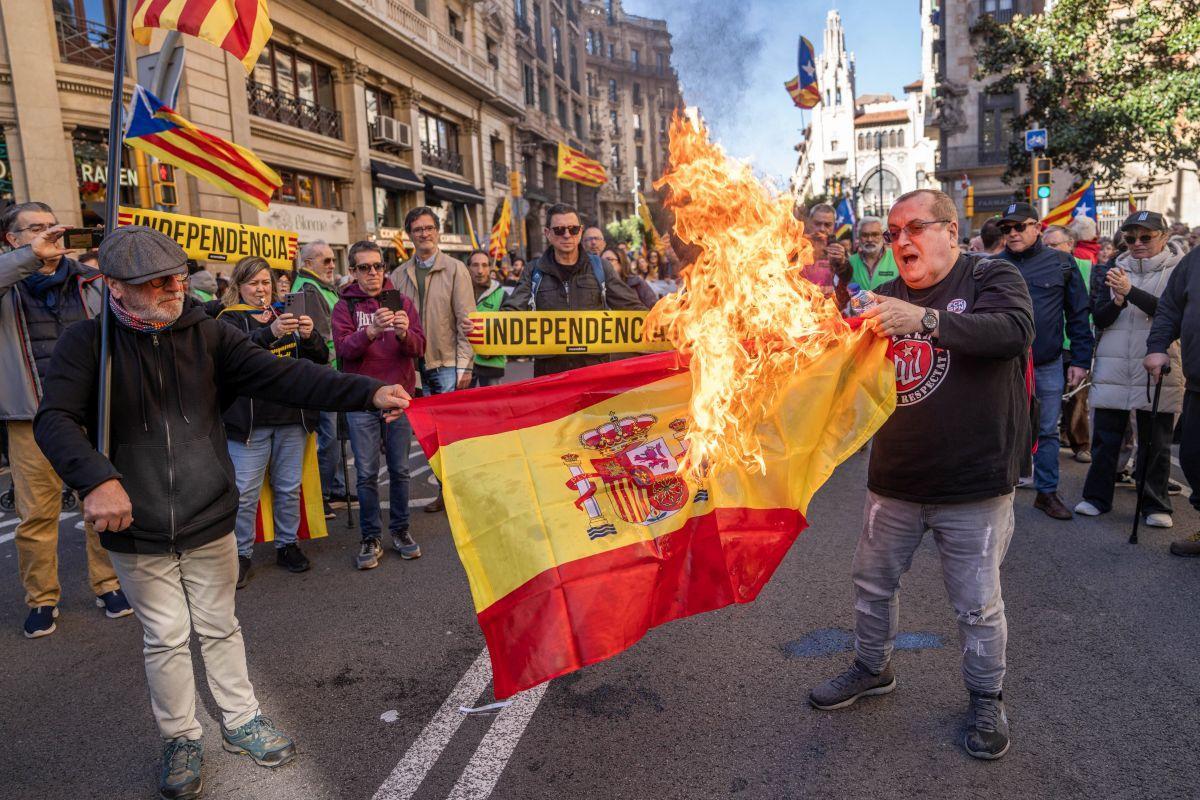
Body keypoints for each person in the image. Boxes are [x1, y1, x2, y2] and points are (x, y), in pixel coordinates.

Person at [33, 226, 411, 799]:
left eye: (177, 276)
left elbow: (286, 376)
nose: (172, 288)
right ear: (114, 286)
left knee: (219, 626)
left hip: (209, 510)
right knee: (165, 637)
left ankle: (240, 720)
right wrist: (97, 479)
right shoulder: (86, 344)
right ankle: (181, 736)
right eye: (155, 281)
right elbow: (54, 420)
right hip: (136, 523)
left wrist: (366, 393)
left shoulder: (208, 334)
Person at [809, 189, 1034, 761]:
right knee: (872, 583)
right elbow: (839, 362)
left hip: (975, 483)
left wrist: (927, 320)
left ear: (951, 233)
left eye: (915, 228)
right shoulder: (882, 294)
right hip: (896, 480)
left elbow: (1013, 332)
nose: (901, 241)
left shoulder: (991, 275)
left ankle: (986, 698)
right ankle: (871, 666)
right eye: (893, 233)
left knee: (977, 604)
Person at [0, 202, 130, 638]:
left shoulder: (89, 282)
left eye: (49, 226)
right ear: (11, 240)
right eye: (32, 229)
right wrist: (29, 258)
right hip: (31, 419)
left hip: (89, 413)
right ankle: (41, 599)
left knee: (102, 499)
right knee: (36, 515)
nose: (46, 234)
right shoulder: (8, 285)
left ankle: (109, 584)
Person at [217, 257, 328, 588]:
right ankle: (241, 553)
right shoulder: (228, 320)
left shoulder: (286, 313)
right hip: (249, 422)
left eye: (266, 282)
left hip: (290, 417)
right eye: (253, 283)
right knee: (245, 492)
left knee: (288, 487)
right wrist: (269, 333)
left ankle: (287, 544)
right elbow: (229, 361)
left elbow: (319, 359)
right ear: (239, 287)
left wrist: (309, 337)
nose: (261, 289)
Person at [1075, 211, 1186, 528]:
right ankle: (1096, 497)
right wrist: (1118, 301)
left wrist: (1130, 292)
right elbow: (1100, 317)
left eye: (1145, 237)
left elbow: (1171, 316)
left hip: (1158, 364)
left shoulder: (1178, 271)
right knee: (1105, 438)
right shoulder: (1115, 267)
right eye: (1130, 237)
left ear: (1163, 237)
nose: (1137, 243)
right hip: (1114, 363)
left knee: (1156, 442)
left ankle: (1154, 504)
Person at [333, 240, 426, 569]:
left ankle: (400, 530)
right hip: (362, 399)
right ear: (353, 271)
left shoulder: (401, 301)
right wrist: (370, 331)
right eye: (364, 267)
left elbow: (419, 347)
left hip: (399, 398)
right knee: (367, 474)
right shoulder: (344, 306)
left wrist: (403, 334)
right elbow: (343, 350)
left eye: (377, 266)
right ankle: (370, 536)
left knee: (400, 470)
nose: (372, 273)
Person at [999, 201, 1094, 520]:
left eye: (1018, 226)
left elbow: (1079, 315)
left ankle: (1047, 493)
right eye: (1005, 228)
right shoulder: (991, 266)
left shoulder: (1063, 264)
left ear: (1037, 227)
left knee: (1048, 431)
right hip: (1002, 366)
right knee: (1001, 429)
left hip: (1047, 363)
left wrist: (1080, 360)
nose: (1012, 233)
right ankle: (997, 494)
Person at [388, 207, 474, 513]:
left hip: (446, 361)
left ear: (437, 232)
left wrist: (465, 363)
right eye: (417, 229)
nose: (424, 234)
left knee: (448, 433)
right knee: (424, 435)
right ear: (410, 235)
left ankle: (452, 493)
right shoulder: (397, 275)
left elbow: (467, 320)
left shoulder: (455, 269)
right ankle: (443, 487)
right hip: (412, 363)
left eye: (428, 228)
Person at [502, 203, 646, 376]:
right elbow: (511, 311)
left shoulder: (601, 267)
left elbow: (631, 307)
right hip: (550, 375)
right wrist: (484, 327)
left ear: (580, 231)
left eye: (573, 229)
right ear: (547, 233)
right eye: (559, 230)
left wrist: (665, 322)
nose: (567, 235)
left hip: (594, 372)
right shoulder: (533, 270)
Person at [1145, 217, 1200, 556]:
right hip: (1198, 384)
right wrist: (1156, 347)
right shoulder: (1194, 260)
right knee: (1194, 458)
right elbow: (1169, 308)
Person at [290, 240, 348, 514]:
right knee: (329, 436)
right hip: (323, 374)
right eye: (325, 260)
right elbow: (322, 339)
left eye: (333, 259)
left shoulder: (319, 286)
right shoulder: (310, 289)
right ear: (308, 263)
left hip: (324, 371)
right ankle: (323, 494)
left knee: (332, 435)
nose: (332, 264)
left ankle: (333, 487)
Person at [1044, 223, 1094, 463]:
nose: (1049, 249)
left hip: (1074, 343)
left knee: (1076, 396)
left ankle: (1080, 444)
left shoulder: (1088, 268)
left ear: (1070, 245)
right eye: (1046, 246)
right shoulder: (1039, 268)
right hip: (1049, 345)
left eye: (1054, 245)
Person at [466, 249, 506, 388]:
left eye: (484, 265)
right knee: (463, 406)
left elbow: (508, 328)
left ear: (490, 268)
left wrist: (492, 350)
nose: (480, 270)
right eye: (475, 265)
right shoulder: (458, 291)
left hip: (491, 362)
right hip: (463, 362)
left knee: (492, 408)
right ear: (468, 267)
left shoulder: (501, 294)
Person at [803, 203, 846, 296]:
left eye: (827, 225)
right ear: (809, 222)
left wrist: (842, 263)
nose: (822, 229)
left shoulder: (839, 251)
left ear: (834, 225)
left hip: (829, 307)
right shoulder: (795, 246)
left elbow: (848, 282)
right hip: (800, 305)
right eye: (817, 223)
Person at [846, 216, 898, 291]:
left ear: (883, 236)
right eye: (865, 235)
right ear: (859, 237)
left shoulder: (896, 257)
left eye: (875, 234)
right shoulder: (850, 261)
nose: (870, 239)